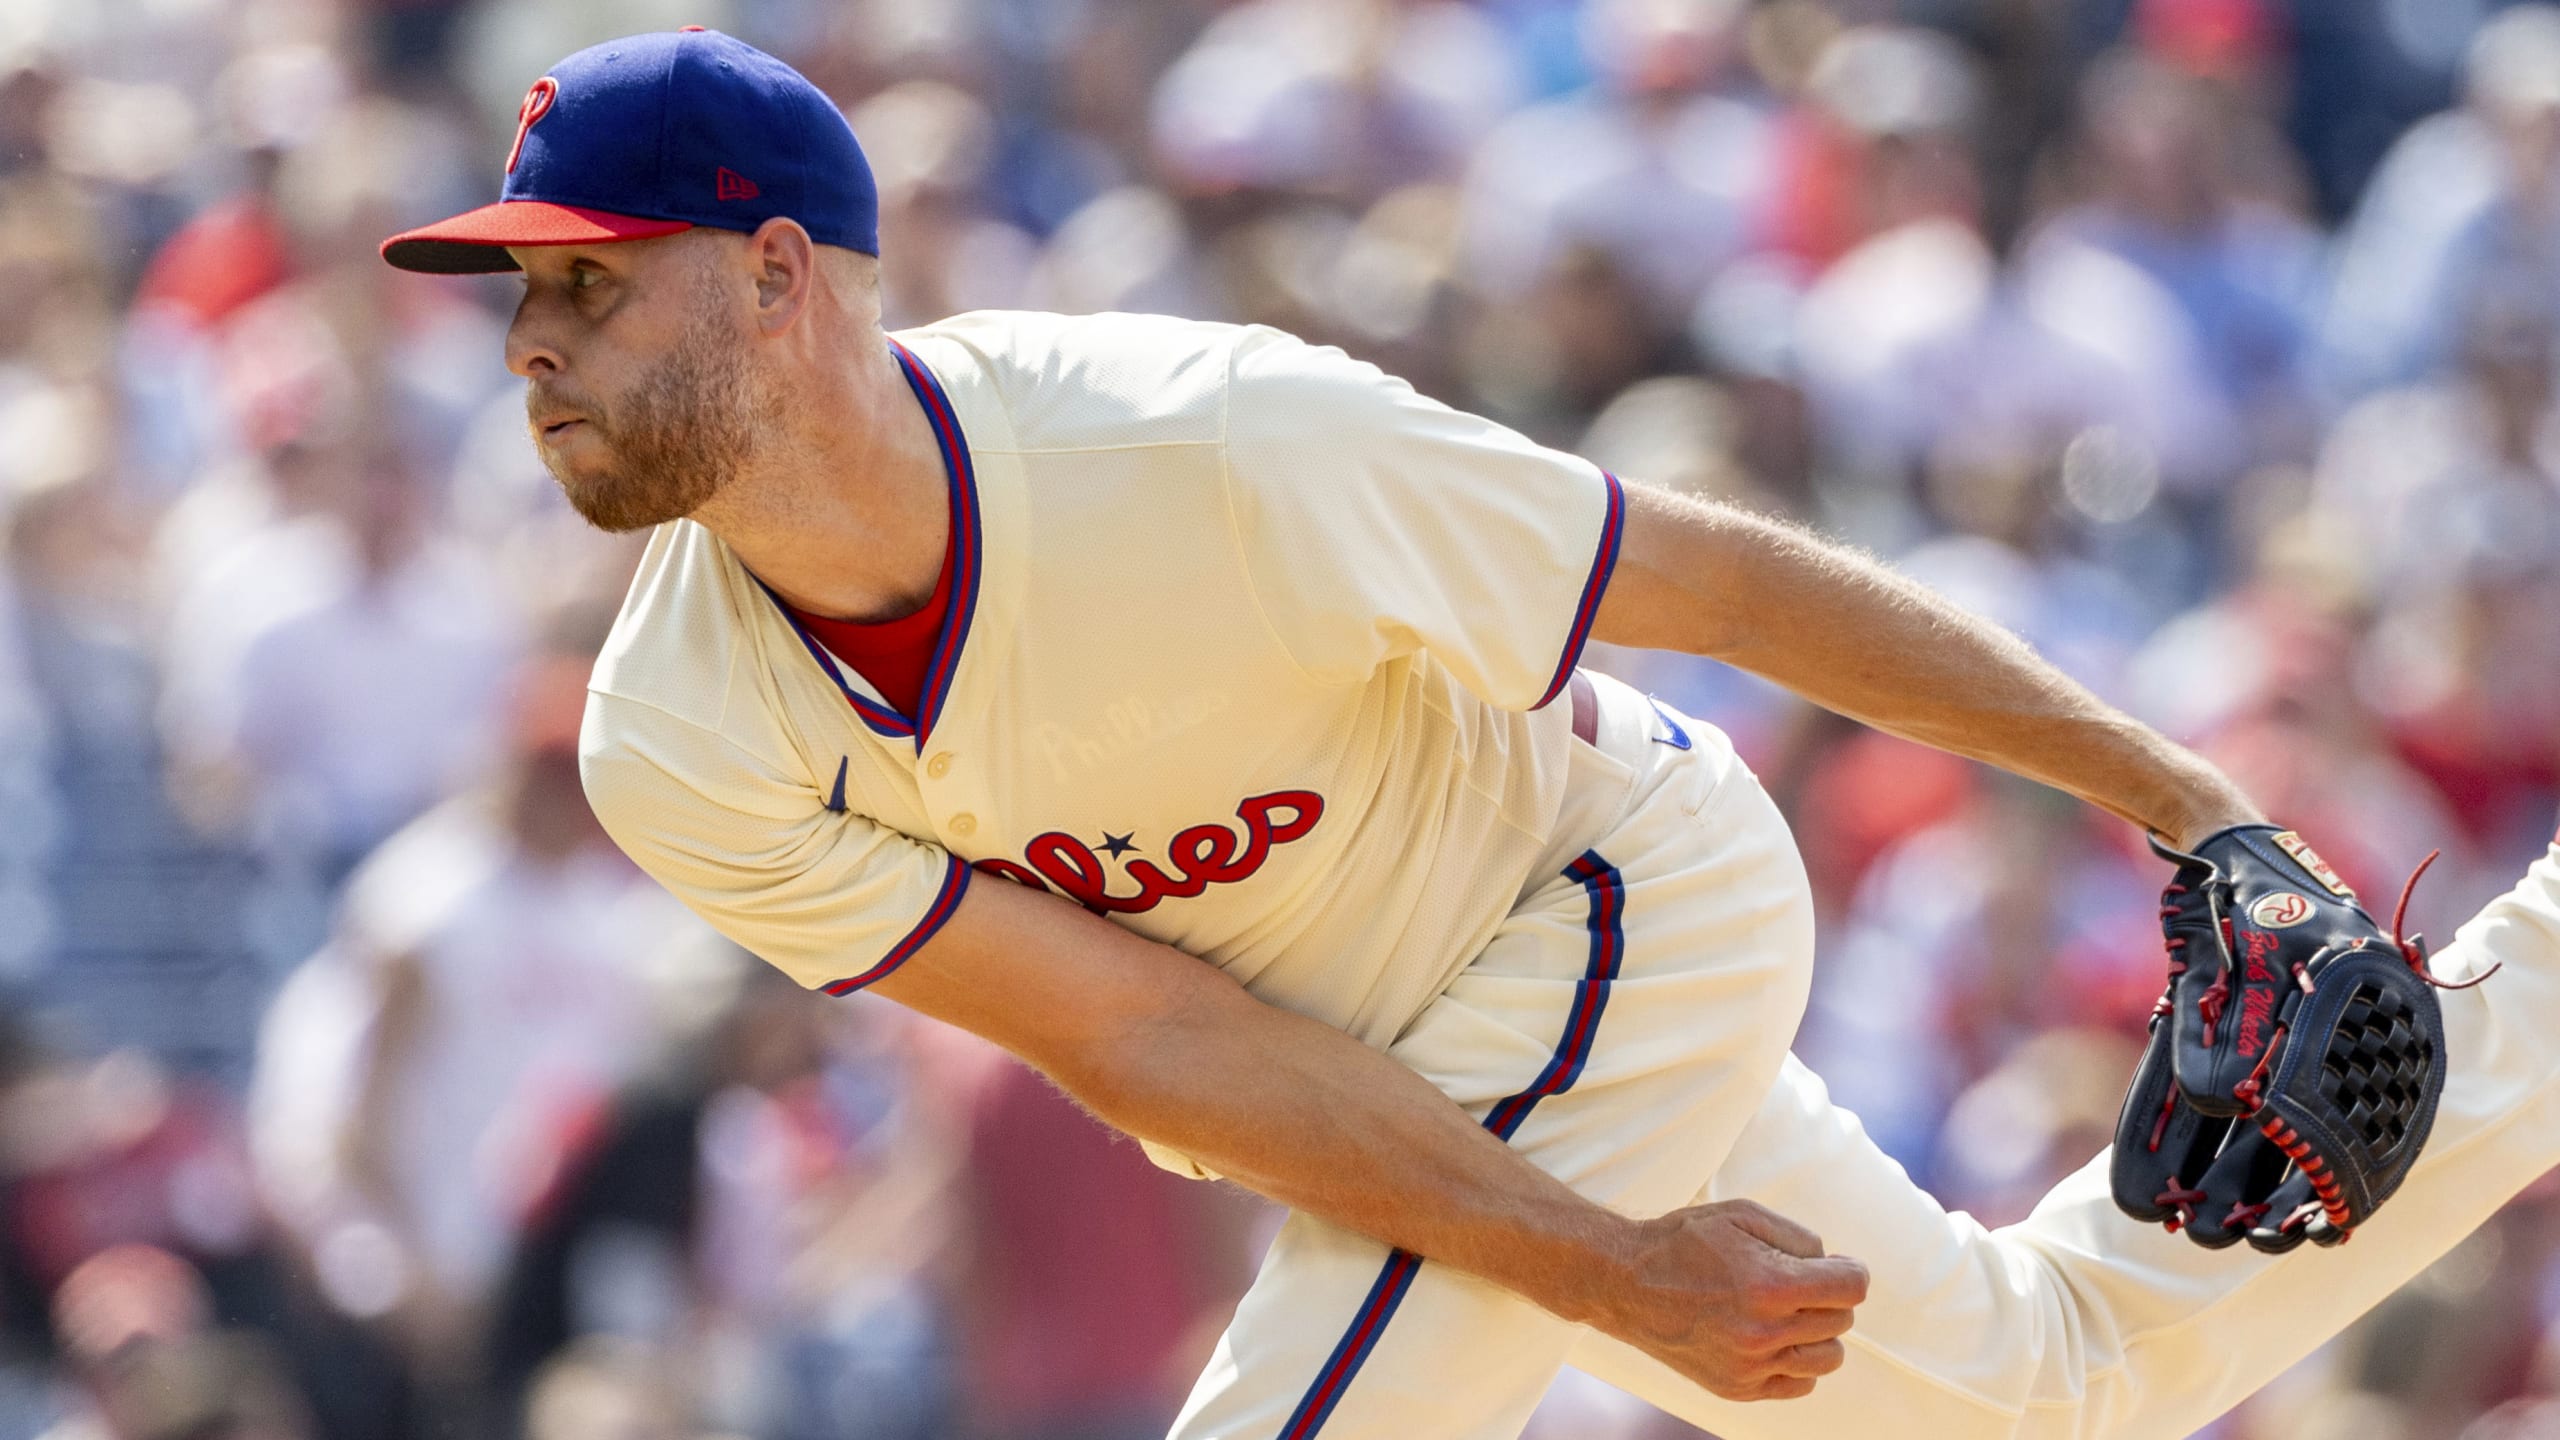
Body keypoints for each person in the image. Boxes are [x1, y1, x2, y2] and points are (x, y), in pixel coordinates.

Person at [379, 29, 2560, 1440]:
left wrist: (2183, 803)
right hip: (1405, 1092)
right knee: (2044, 1389)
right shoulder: (671, 738)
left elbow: (1716, 586)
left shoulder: (1193, 440)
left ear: (779, 276)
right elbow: (1148, 1040)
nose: (527, 345)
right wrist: (1597, 1262)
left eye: (587, 280)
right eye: (523, 296)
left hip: (1610, 903)